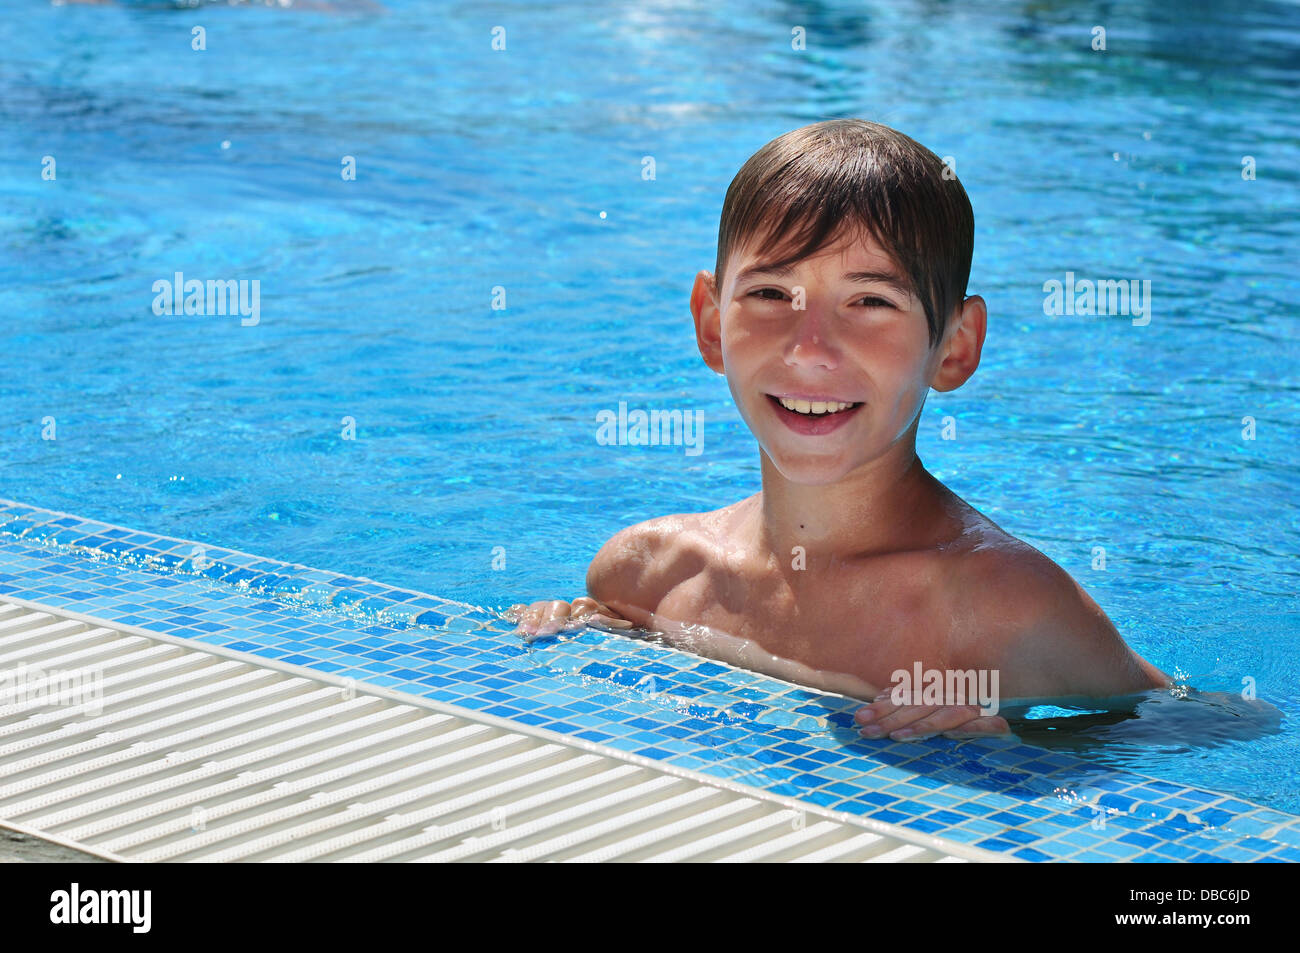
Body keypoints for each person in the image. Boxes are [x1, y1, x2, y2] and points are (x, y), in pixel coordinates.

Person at [510, 118, 1170, 741]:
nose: (810, 349)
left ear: (955, 348)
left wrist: (1023, 743)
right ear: (711, 324)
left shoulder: (1000, 611)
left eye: (871, 302)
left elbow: (1205, 728)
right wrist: (575, 637)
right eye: (770, 293)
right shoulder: (648, 579)